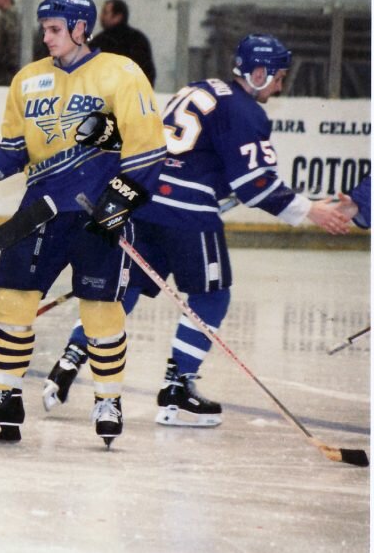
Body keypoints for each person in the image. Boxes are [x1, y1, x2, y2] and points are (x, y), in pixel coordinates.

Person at [41, 34, 352, 427]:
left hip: (144, 202)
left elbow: (183, 154)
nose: (279, 86)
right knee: (211, 296)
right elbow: (256, 185)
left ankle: (70, 358)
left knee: (126, 290)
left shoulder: (200, 88)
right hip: (189, 215)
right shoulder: (245, 111)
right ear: (258, 73)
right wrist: (312, 211)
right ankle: (177, 390)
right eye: (278, 77)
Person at [0, 0, 167, 447]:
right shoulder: (28, 80)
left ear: (82, 29)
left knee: (100, 305)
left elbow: (147, 150)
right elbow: (16, 147)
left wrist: (116, 208)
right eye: (44, 29)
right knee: (13, 297)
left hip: (99, 212)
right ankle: (5, 398)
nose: (47, 37)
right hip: (40, 211)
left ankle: (108, 398)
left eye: (55, 29)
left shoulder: (121, 73)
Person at [90, 0, 156, 87]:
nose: (101, 17)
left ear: (118, 16)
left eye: (105, 13)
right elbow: (149, 73)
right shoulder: (139, 38)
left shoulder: (101, 41)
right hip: (134, 94)